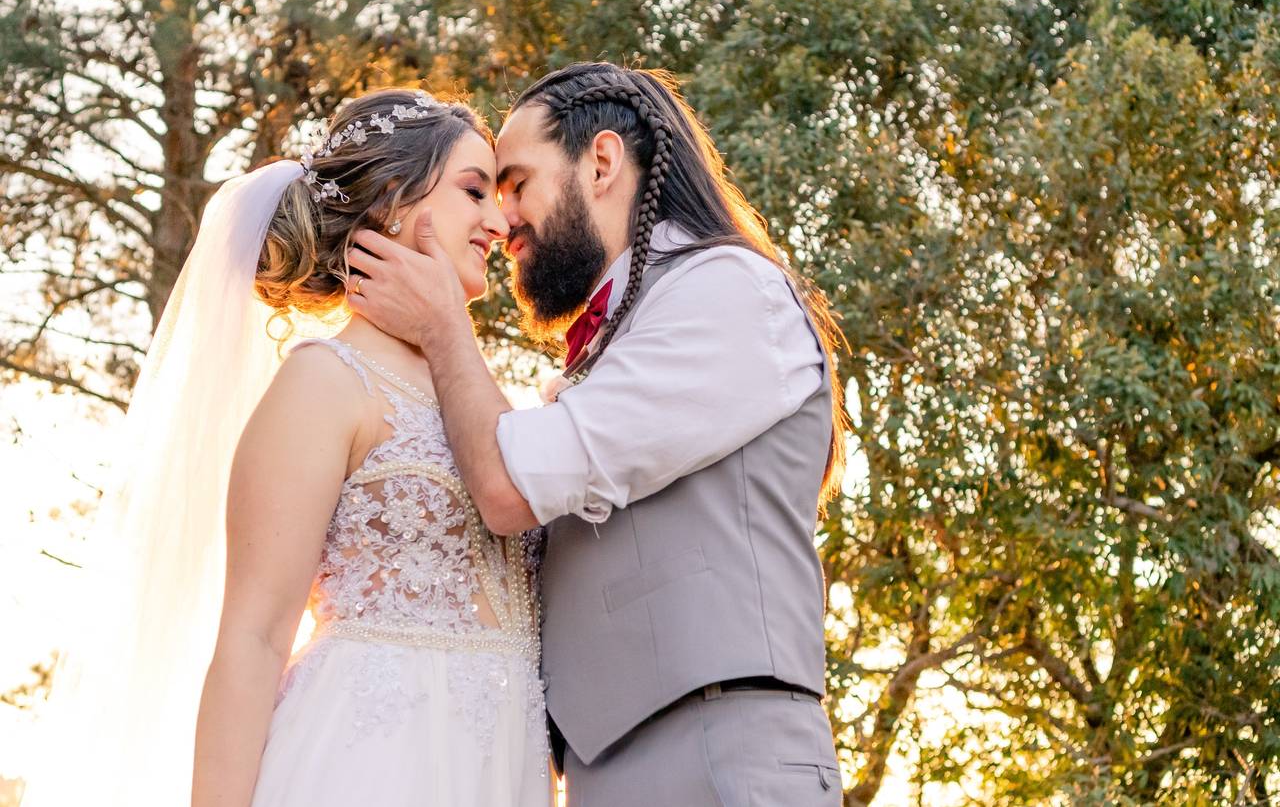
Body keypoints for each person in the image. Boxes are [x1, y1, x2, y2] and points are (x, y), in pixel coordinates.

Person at [23, 89, 549, 807]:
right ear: (393, 199)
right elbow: (255, 637)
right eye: (473, 190)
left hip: (491, 767)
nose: (499, 219)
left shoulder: (477, 394)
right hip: (365, 763)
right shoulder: (324, 380)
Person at [347, 63, 847, 806]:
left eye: (516, 182)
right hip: (611, 766)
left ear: (602, 162)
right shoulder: (624, 332)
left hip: (718, 755)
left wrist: (444, 327)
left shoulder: (725, 289)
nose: (503, 216)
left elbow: (509, 487)